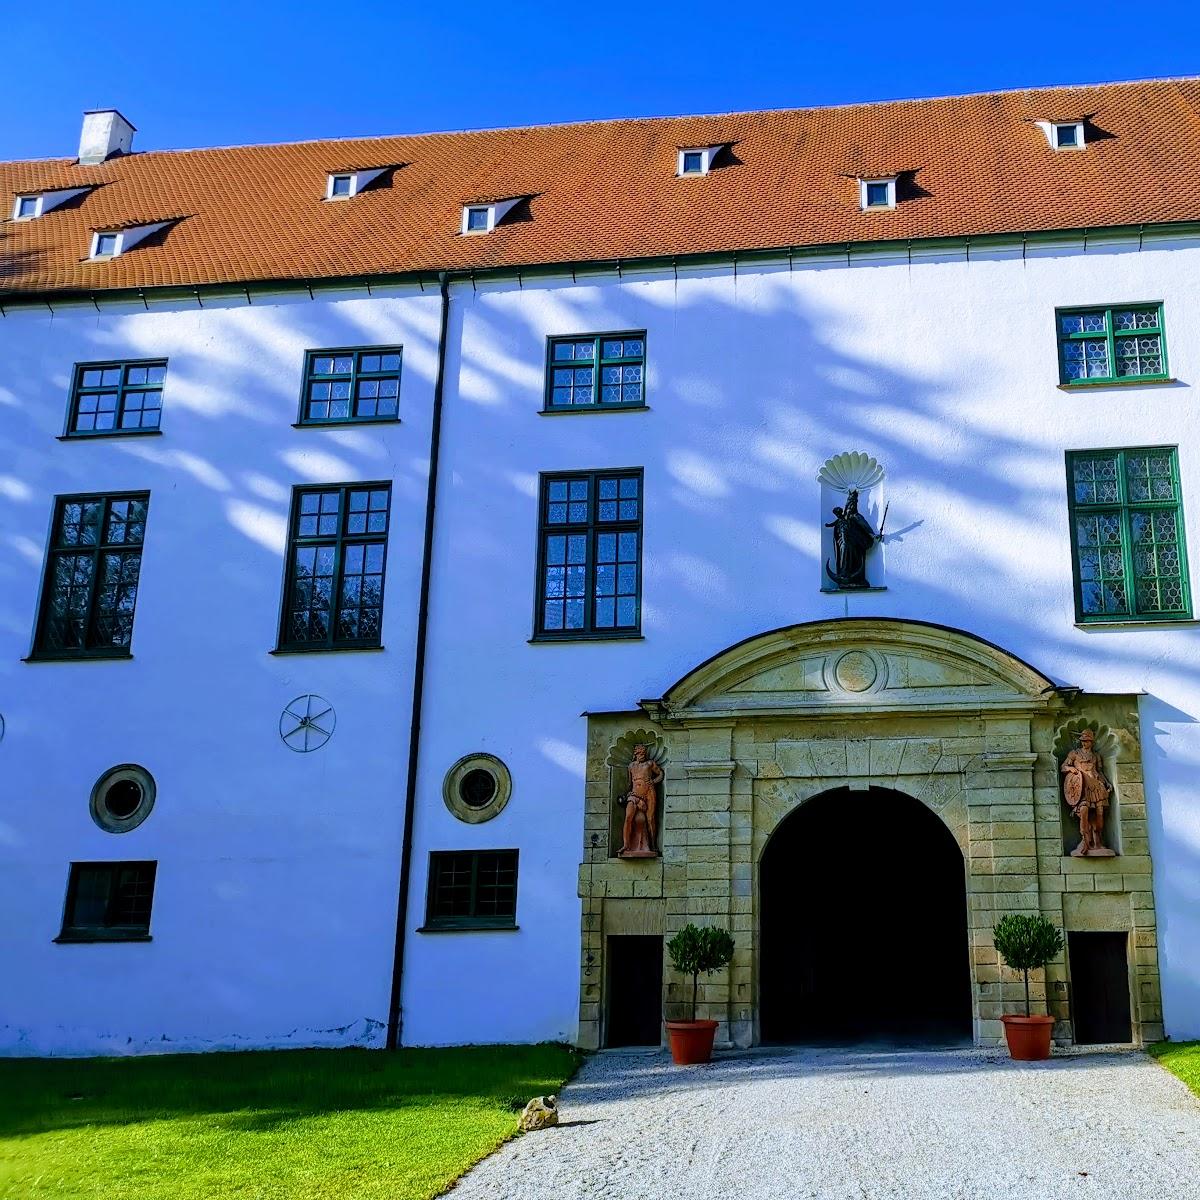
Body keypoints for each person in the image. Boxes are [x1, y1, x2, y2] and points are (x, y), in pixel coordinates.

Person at [1061, 729, 1113, 857]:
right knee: (1084, 810)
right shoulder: (1074, 753)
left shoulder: (1096, 756)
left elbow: (1099, 772)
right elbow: (1063, 767)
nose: (1084, 743)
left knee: (1099, 815)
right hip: (1082, 786)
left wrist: (1107, 783)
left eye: (1087, 741)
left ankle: (1097, 841)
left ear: (1091, 742)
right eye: (1083, 741)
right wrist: (1071, 768)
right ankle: (1085, 840)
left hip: (1096, 786)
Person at [825, 489, 881, 589]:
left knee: (853, 558)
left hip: (855, 544)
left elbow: (866, 527)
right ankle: (844, 574)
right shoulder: (842, 519)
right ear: (846, 506)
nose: (851, 507)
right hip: (843, 543)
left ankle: (853, 577)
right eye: (849, 505)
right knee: (844, 554)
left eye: (853, 505)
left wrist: (873, 535)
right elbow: (836, 528)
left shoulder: (857, 516)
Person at [620, 744, 664, 857]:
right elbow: (629, 783)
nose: (642, 755)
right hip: (634, 794)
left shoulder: (649, 764)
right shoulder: (631, 766)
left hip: (649, 793)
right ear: (636, 754)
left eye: (644, 753)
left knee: (650, 819)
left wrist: (653, 781)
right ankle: (626, 844)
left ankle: (653, 845)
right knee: (628, 817)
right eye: (640, 753)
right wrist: (627, 793)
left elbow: (660, 773)